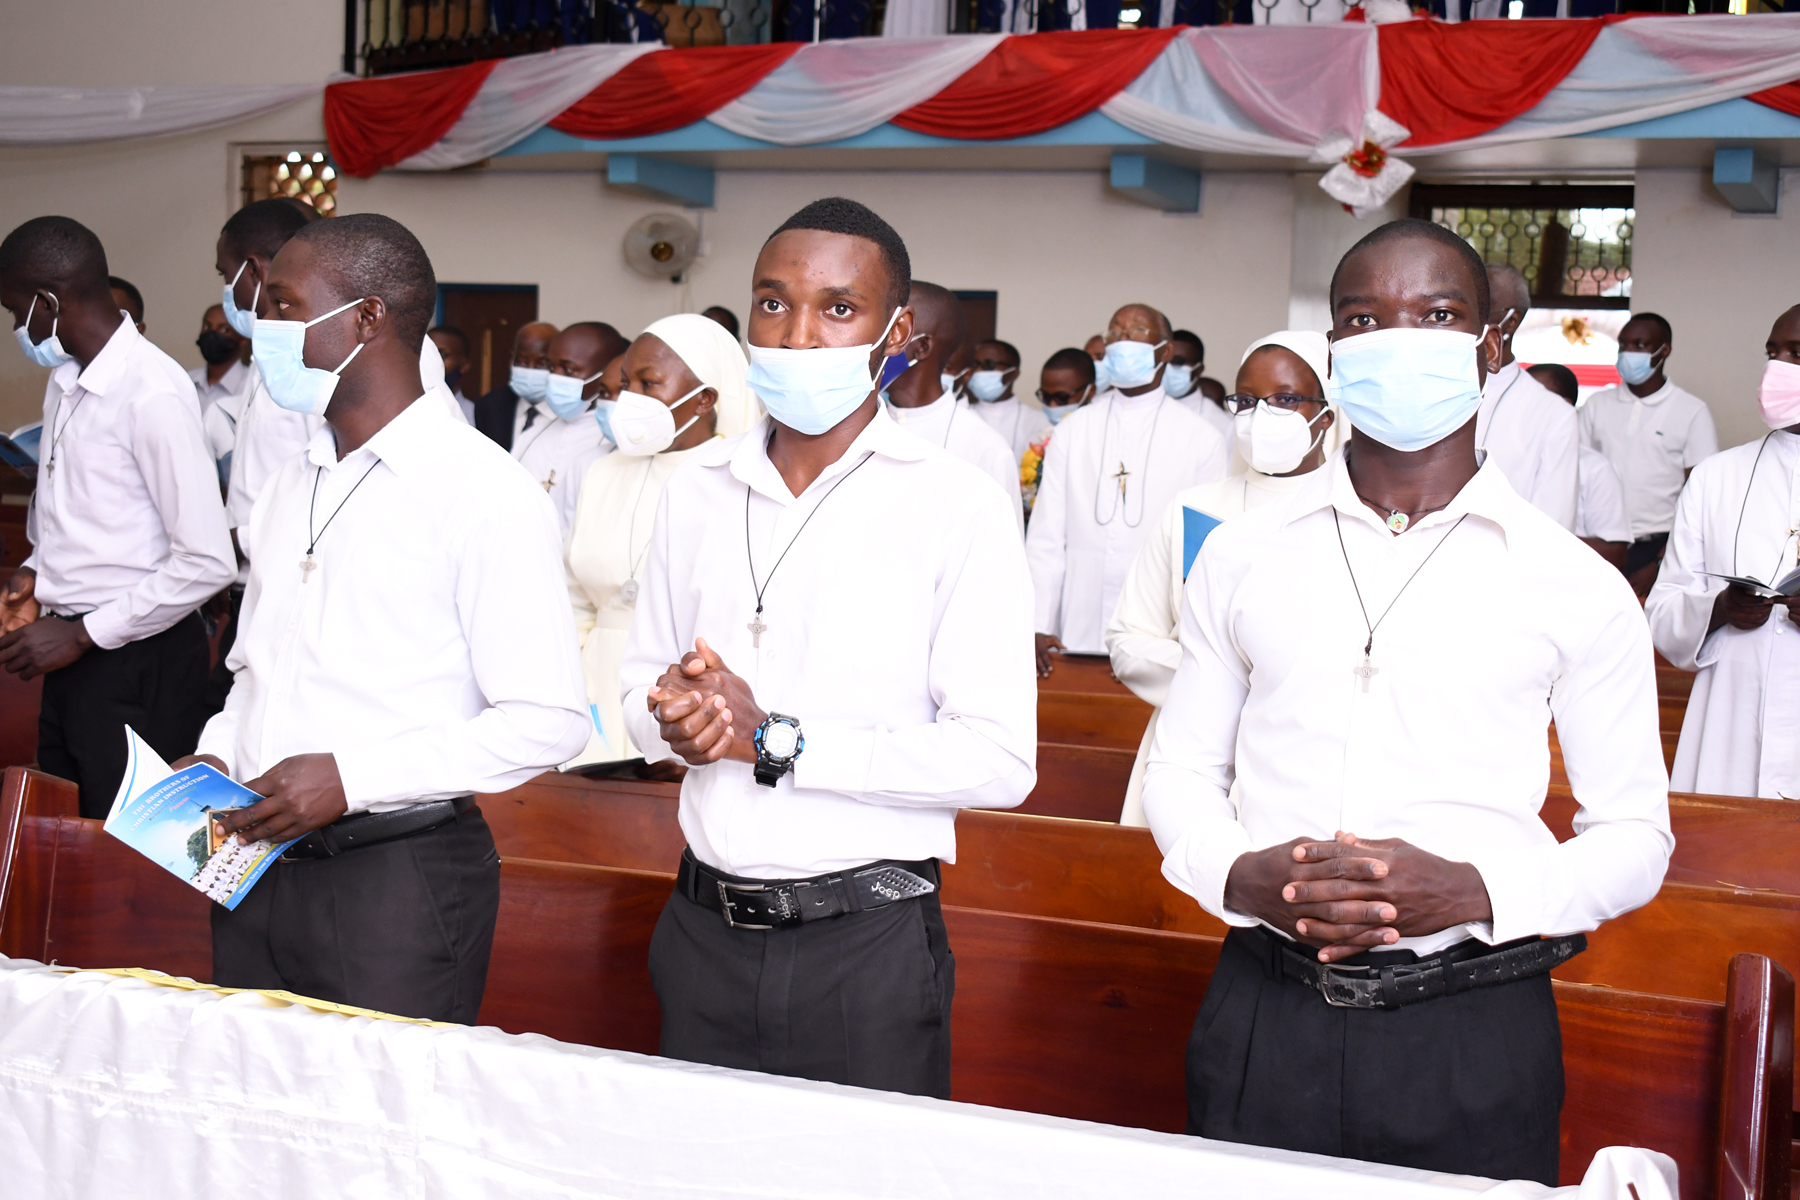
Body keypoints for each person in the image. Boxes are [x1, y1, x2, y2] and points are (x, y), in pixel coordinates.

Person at [1142, 218, 1670, 1185]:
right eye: (1364, 319)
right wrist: (1238, 875)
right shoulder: (1244, 554)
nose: (1398, 341)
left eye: (1437, 316)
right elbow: (1180, 770)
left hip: (1470, 1024)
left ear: (1492, 347)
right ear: (1336, 353)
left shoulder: (1573, 582)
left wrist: (1475, 891)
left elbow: (1636, 836)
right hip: (1267, 1006)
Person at [619, 197, 1035, 1098]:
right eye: (773, 303)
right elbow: (637, 689)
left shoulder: (954, 503)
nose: (798, 335)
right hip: (700, 926)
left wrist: (774, 740)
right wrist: (677, 721)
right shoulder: (695, 486)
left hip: (863, 943)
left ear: (895, 333)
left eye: (838, 309)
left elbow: (1000, 760)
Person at [184, 213, 588, 1024]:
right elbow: (254, 670)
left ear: (366, 317)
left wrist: (353, 777)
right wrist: (218, 755)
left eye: (285, 306)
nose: (263, 327)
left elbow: (550, 722)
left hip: (393, 876)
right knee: (248, 1092)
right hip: (255, 860)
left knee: (376, 1104)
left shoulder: (482, 490)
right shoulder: (290, 482)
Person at [0, 216, 235, 817]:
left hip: (137, 657)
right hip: (72, 648)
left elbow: (207, 561)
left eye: (16, 312)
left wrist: (82, 634)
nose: (18, 327)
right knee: (67, 829)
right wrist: (35, 573)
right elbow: (82, 510)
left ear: (48, 302)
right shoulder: (66, 380)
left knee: (137, 843)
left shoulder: (150, 391)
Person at [1107, 331, 1337, 826]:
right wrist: (1222, 679)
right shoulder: (1196, 509)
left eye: (1285, 400)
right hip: (1188, 757)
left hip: (1307, 761)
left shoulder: (1351, 516)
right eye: (1247, 401)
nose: (1261, 415)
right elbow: (1128, 639)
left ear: (1327, 414)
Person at [566, 314, 748, 770]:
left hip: (691, 693)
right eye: (627, 384)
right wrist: (573, 691)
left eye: (649, 384)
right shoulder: (603, 472)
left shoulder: (739, 478)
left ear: (704, 398)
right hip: (593, 687)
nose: (630, 399)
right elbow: (574, 601)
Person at [1645, 304, 1800, 801]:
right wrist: (1717, 609)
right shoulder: (1718, 476)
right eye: (1773, 353)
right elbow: (1663, 609)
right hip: (1730, 722)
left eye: (1797, 354)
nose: (1778, 367)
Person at [1024, 303, 1227, 674]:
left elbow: (1203, 552)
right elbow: (1045, 538)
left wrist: (1193, 637)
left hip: (1159, 631)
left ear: (1165, 352)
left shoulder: (1201, 438)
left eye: (1136, 331)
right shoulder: (1073, 429)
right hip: (1075, 622)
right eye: (1115, 331)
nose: (1122, 339)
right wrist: (1037, 623)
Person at [1579, 311, 1718, 594]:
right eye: (1623, 345)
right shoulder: (1596, 405)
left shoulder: (1691, 411)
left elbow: (1701, 496)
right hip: (1599, 544)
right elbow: (1575, 476)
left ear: (1663, 350)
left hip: (1656, 547)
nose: (1628, 352)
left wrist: (1659, 563)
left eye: (1639, 345)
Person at [883, 283, 1024, 532]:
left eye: (887, 330)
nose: (870, 341)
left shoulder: (986, 449)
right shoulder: (856, 426)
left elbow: (1001, 551)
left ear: (922, 347)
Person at [1475, 265, 1579, 532]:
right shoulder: (1424, 387)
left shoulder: (1553, 414)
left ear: (1511, 322)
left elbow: (1552, 524)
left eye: (1482, 307)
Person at [1529, 362, 1629, 571]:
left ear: (1564, 406)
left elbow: (1615, 552)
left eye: (1533, 398)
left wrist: (1544, 542)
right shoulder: (1499, 456)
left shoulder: (1595, 468)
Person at [535, 321, 630, 536]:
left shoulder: (615, 440)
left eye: (568, 370)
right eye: (552, 368)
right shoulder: (535, 431)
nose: (555, 377)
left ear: (605, 370)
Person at [1021, 348, 1097, 517]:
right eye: (1046, 397)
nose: (1052, 405)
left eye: (1061, 397)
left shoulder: (1100, 439)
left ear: (1089, 392)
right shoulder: (1041, 437)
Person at [191, 303, 253, 492]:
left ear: (243, 339)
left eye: (224, 329)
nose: (212, 334)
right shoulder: (184, 382)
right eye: (207, 326)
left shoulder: (251, 389)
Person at [472, 321, 557, 450]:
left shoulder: (569, 412)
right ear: (512, 359)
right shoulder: (489, 407)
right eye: (522, 361)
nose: (530, 369)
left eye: (542, 363)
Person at [967, 338, 1049, 463]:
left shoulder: (1038, 422)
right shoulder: (961, 415)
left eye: (989, 365)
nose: (978, 370)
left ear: (1013, 373)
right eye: (975, 364)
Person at [1168, 328, 1235, 464]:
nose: (1167, 368)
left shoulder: (1220, 424)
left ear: (1198, 370)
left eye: (1178, 362)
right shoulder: (1145, 408)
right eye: (1164, 361)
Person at [428, 324, 476, 424]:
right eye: (427, 354)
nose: (432, 361)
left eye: (442, 355)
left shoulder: (474, 415)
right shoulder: (405, 410)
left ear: (464, 366)